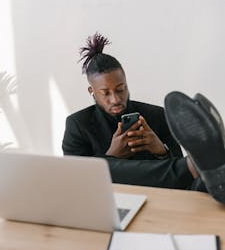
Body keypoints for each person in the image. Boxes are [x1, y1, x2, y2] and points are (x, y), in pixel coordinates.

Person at [62, 32, 200, 191]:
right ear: (91, 91)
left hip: (157, 193)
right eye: (105, 93)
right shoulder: (78, 125)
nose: (115, 99)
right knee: (91, 169)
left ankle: (201, 168)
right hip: (109, 196)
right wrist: (111, 156)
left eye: (120, 89)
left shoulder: (157, 115)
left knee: (197, 184)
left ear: (126, 85)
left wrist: (161, 150)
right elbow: (76, 180)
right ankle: (197, 164)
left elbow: (179, 175)